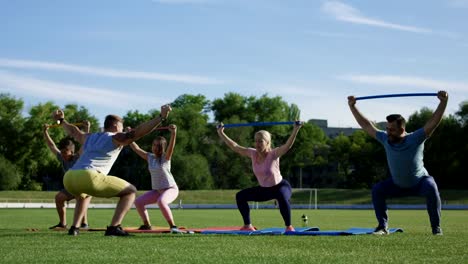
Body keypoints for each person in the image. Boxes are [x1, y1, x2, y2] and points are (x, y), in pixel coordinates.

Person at [51, 104, 172, 236]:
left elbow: (74, 132)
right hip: (89, 176)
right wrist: (161, 117)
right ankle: (114, 227)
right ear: (115, 126)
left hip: (69, 178)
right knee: (130, 191)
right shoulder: (116, 137)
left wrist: (62, 121)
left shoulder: (90, 137)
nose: (122, 129)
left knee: (83, 195)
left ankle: (74, 228)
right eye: (121, 126)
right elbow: (138, 132)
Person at [347, 90, 448, 235]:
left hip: (420, 182)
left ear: (402, 128)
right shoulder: (385, 139)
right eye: (387, 129)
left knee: (432, 187)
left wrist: (443, 102)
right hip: (397, 184)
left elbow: (433, 122)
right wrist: (352, 107)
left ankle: (436, 228)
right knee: (378, 189)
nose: (388, 132)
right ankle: (382, 227)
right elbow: (367, 125)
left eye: (392, 130)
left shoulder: (415, 138)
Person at [217, 121, 303, 232]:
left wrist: (296, 129)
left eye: (260, 141)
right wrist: (221, 133)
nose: (257, 144)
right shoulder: (252, 153)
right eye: (256, 141)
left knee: (281, 195)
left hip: (280, 187)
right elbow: (235, 147)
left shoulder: (274, 154)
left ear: (267, 143)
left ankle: (289, 227)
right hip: (264, 190)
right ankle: (248, 226)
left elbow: (288, 146)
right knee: (240, 196)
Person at [128, 124, 181, 233]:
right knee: (138, 202)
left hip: (170, 189)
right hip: (157, 191)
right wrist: (129, 135)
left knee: (161, 202)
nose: (155, 147)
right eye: (154, 145)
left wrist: (173, 133)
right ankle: (147, 225)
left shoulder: (166, 158)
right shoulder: (150, 157)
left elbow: (172, 146)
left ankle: (173, 226)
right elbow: (136, 148)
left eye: (158, 146)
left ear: (162, 148)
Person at [43, 121, 90, 229]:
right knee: (59, 198)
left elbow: (86, 143)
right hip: (71, 186)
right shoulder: (61, 157)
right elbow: (51, 145)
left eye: (66, 152)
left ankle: (84, 223)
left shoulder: (78, 157)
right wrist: (45, 132)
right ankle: (63, 224)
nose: (63, 154)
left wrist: (87, 128)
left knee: (81, 198)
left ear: (72, 152)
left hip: (83, 184)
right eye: (62, 152)